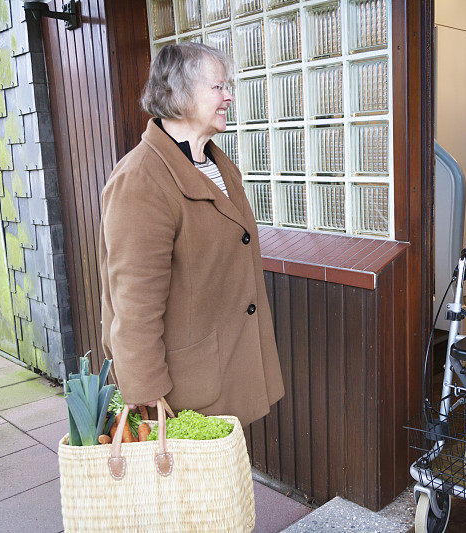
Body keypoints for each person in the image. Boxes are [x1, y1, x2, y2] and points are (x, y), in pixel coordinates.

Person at [98, 43, 284, 426]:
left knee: (223, 478)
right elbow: (133, 302)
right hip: (184, 386)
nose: (229, 96)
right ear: (179, 94)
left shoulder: (215, 162)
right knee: (191, 484)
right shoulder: (141, 179)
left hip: (227, 363)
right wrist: (145, 389)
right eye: (218, 87)